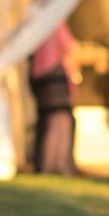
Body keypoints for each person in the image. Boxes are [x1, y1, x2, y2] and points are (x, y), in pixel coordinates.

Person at [28, 18, 80, 175]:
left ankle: (49, 165)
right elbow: (71, 46)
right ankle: (56, 164)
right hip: (53, 74)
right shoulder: (55, 20)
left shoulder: (35, 20)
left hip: (38, 75)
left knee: (51, 119)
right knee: (60, 120)